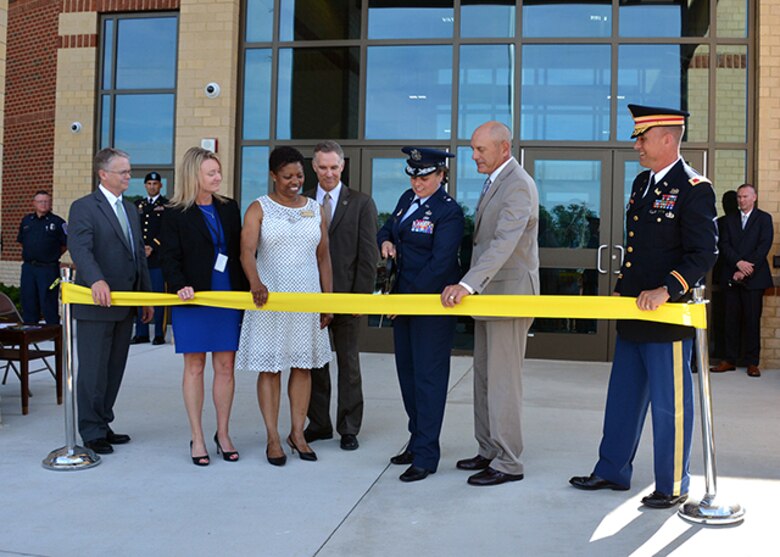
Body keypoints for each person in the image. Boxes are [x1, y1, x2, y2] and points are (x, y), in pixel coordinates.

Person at [569, 104, 718, 509]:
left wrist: (668, 290)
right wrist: (623, 288)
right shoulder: (641, 183)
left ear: (667, 139)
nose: (637, 144)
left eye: (643, 137)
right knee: (622, 399)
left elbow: (704, 253)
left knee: (669, 407)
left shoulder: (695, 188)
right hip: (634, 313)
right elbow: (637, 249)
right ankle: (612, 470)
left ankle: (672, 484)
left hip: (666, 318)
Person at [441, 121, 539, 487]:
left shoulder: (517, 185)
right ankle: (488, 450)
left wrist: (468, 283)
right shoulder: (497, 181)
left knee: (503, 383)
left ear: (504, 147)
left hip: (509, 296)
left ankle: (509, 462)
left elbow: (503, 242)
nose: (473, 156)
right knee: (484, 379)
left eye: (480, 149)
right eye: (472, 149)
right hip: (491, 296)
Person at [236, 146, 333, 466]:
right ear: (273, 175)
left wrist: (326, 299)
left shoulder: (314, 208)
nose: (295, 181)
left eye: (300, 176)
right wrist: (255, 283)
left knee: (303, 366)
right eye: (288, 176)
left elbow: (323, 256)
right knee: (271, 367)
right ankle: (273, 437)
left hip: (306, 298)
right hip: (269, 299)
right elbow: (246, 252)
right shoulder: (258, 208)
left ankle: (297, 433)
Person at [379, 147, 464, 483]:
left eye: (425, 176)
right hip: (404, 302)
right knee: (408, 376)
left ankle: (427, 455)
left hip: (428, 306)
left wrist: (407, 300)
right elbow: (387, 227)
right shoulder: (406, 198)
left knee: (428, 380)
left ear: (441, 176)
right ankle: (417, 441)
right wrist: (384, 241)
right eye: (413, 176)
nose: (417, 182)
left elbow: (441, 265)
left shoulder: (448, 212)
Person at [160, 147, 247, 466]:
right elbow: (169, 256)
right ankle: (197, 436)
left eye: (218, 172)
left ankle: (222, 433)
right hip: (193, 297)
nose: (218, 177)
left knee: (225, 366)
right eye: (211, 173)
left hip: (227, 296)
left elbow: (239, 251)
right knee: (194, 365)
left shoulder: (229, 207)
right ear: (194, 175)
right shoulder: (174, 212)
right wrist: (178, 282)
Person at [67, 148, 153, 455]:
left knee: (114, 369)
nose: (130, 176)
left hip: (126, 304)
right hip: (96, 304)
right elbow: (80, 249)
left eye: (130, 171)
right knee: (93, 370)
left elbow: (137, 256)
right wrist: (96, 279)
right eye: (124, 172)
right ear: (103, 174)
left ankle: (103, 423)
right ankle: (90, 430)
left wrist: (145, 297)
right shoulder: (84, 207)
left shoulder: (130, 209)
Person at [303, 141, 379, 451]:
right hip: (311, 299)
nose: (328, 173)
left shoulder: (361, 203)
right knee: (314, 365)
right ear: (314, 167)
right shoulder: (303, 202)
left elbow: (368, 254)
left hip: (348, 298)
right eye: (323, 167)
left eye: (334, 167)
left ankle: (349, 427)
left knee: (349, 365)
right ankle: (319, 424)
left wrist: (360, 298)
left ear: (343, 166)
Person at [710, 183, 774, 377]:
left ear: (754, 197)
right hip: (732, 275)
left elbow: (764, 246)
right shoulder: (729, 220)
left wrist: (746, 268)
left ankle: (752, 362)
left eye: (745, 197)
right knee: (730, 320)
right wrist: (738, 263)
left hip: (754, 279)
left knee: (752, 321)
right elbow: (724, 245)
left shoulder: (764, 219)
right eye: (739, 197)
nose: (741, 200)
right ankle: (728, 360)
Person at [17, 190, 67, 324]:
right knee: (28, 298)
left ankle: (52, 331)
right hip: (29, 268)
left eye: (46, 201)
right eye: (40, 201)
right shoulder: (27, 221)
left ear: (50, 203)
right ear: (34, 203)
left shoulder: (58, 222)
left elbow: (65, 244)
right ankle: (30, 329)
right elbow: (22, 241)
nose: (43, 204)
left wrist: (50, 256)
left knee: (48, 300)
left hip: (48, 269)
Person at [131, 172, 168, 345]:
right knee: (140, 296)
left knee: (158, 296)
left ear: (161, 185)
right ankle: (141, 332)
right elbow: (133, 229)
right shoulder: (138, 204)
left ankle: (159, 333)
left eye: (155, 183)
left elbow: (167, 231)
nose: (152, 186)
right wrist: (140, 248)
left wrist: (153, 246)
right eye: (149, 183)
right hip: (140, 258)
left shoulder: (167, 205)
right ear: (145, 186)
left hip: (158, 258)